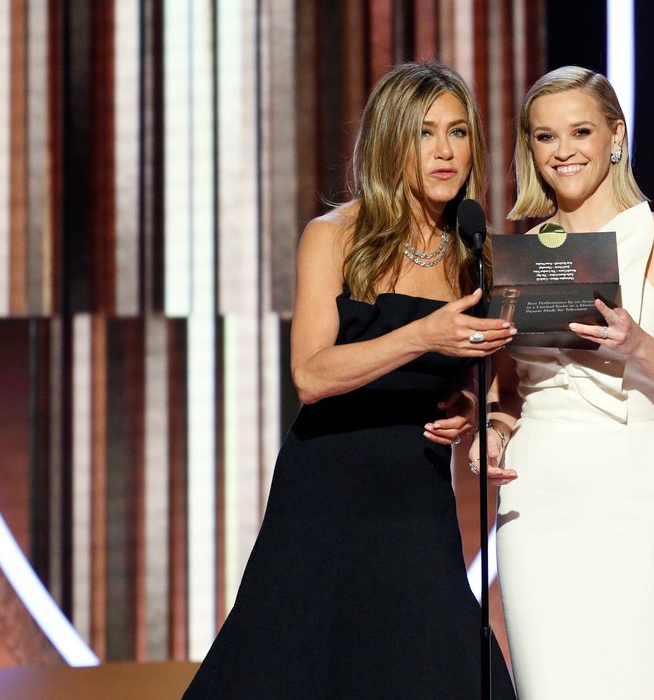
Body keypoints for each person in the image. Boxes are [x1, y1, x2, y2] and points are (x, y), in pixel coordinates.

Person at [183, 61, 518, 699]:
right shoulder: (335, 236)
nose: (445, 152)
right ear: (391, 141)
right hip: (325, 492)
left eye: (458, 132)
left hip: (417, 492)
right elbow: (310, 373)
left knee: (436, 664)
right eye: (425, 133)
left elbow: (493, 379)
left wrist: (472, 409)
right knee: (301, 665)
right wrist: (421, 336)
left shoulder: (476, 250)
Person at [470, 66, 654, 699]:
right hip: (540, 491)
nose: (563, 151)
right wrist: (492, 431)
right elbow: (507, 388)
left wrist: (639, 345)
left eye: (580, 131)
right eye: (545, 136)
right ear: (531, 147)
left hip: (634, 486)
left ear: (615, 135)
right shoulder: (523, 253)